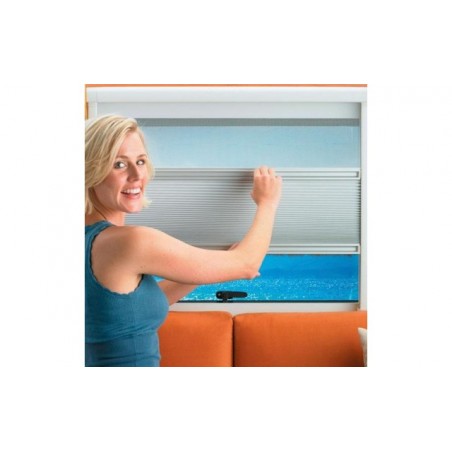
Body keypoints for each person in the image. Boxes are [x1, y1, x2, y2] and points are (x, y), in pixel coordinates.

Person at [85, 114, 282, 367]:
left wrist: (203, 269)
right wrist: (268, 203)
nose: (136, 175)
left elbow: (127, 309)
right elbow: (247, 264)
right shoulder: (131, 242)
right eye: (119, 164)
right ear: (90, 170)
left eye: (141, 161)